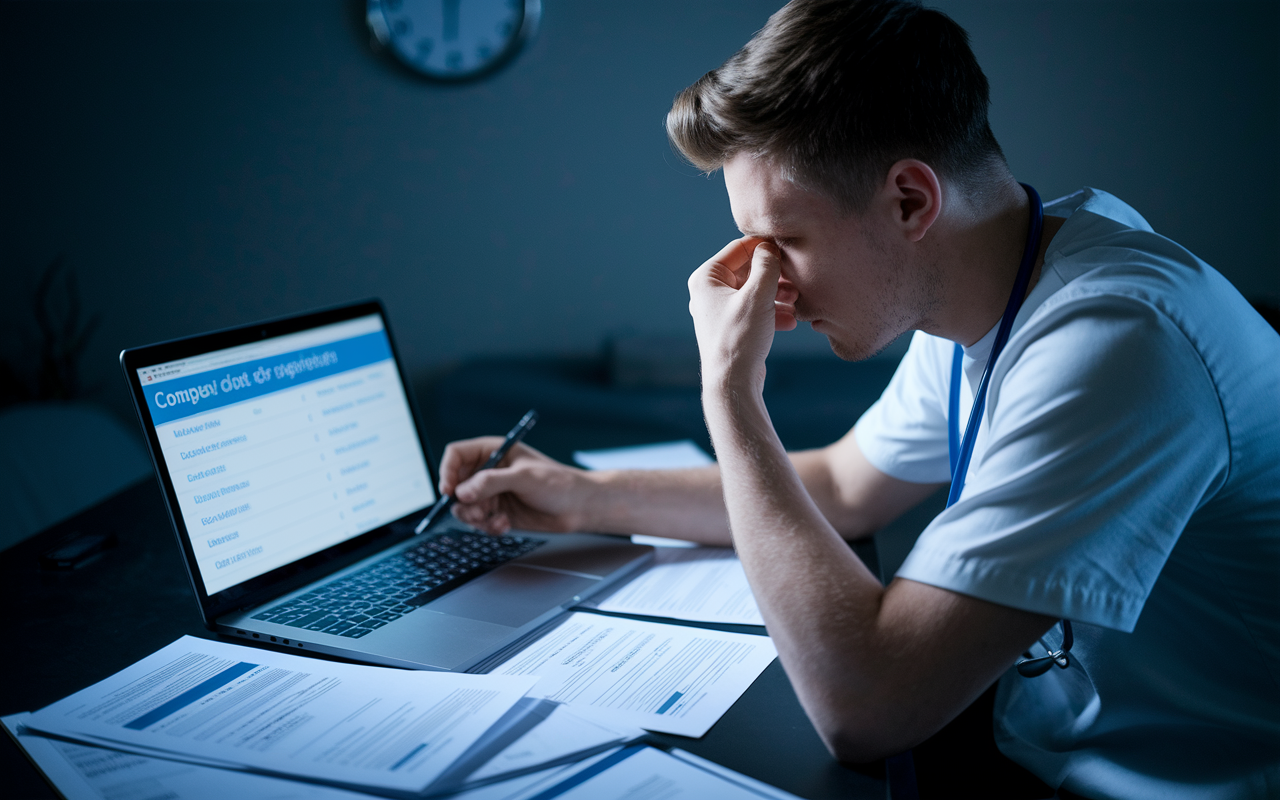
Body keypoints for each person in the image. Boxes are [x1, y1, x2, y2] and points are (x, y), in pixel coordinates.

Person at [438, 1, 1280, 797]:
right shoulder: (993, 287)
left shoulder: (1118, 342)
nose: (772, 285)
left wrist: (730, 394)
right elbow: (846, 485)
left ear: (910, 200)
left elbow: (867, 709)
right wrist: (583, 498)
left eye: (786, 242)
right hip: (1043, 753)